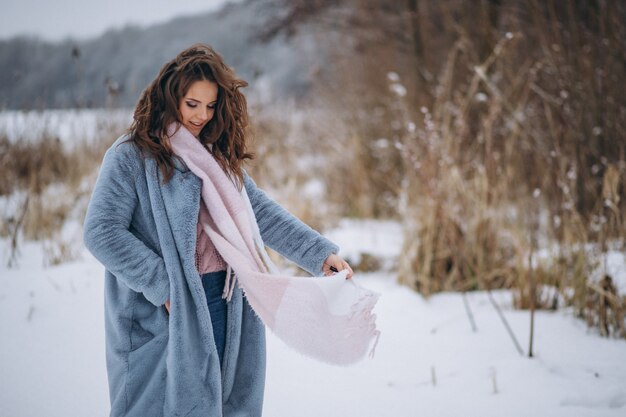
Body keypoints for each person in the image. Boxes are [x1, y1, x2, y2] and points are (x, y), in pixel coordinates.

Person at [83, 44, 359, 417]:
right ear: (169, 97)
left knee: (221, 405)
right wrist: (165, 286)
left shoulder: (214, 157)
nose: (201, 116)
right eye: (192, 104)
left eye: (210, 106)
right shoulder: (131, 155)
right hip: (164, 308)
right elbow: (101, 232)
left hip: (225, 297)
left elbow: (259, 212)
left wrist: (318, 253)